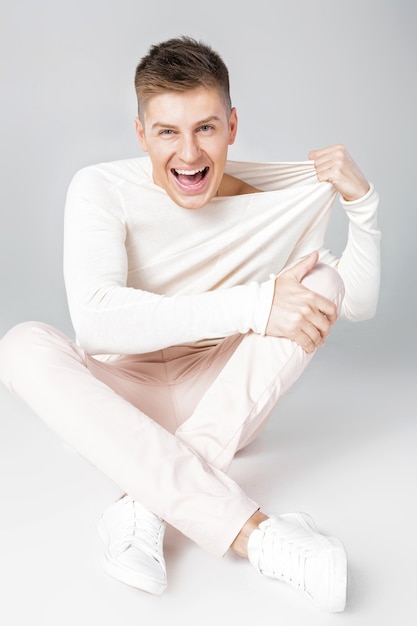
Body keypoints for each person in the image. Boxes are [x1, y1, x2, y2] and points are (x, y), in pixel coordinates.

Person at [0, 36, 380, 613]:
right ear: (141, 134)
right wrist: (253, 304)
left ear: (231, 126)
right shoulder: (100, 188)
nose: (188, 153)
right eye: (168, 132)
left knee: (320, 285)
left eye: (205, 128)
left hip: (220, 398)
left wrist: (365, 206)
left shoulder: (269, 204)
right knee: (21, 346)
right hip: (121, 397)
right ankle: (259, 537)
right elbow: (98, 324)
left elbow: (354, 302)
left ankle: (145, 503)